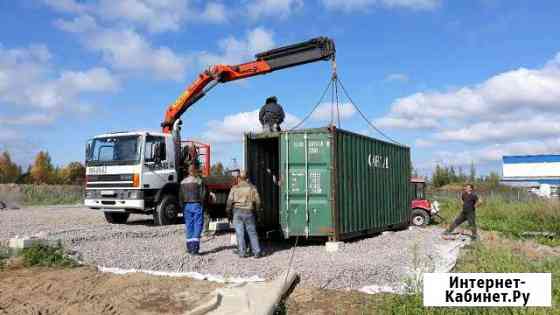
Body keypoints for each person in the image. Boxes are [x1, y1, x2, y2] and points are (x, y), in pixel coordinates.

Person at [226, 171, 263, 258]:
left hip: (237, 212)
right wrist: (257, 212)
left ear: (239, 178)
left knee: (239, 233)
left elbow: (229, 202)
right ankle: (257, 252)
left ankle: (242, 252)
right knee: (252, 232)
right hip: (249, 211)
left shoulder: (234, 188)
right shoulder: (252, 188)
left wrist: (228, 214)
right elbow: (258, 202)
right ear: (247, 178)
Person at [180, 165, 207, 255]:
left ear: (188, 171)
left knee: (189, 226)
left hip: (186, 206)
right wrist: (203, 205)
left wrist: (183, 207)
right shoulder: (199, 181)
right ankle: (195, 248)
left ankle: (189, 247)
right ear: (194, 171)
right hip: (197, 204)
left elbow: (180, 197)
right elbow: (203, 194)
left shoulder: (183, 182)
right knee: (198, 225)